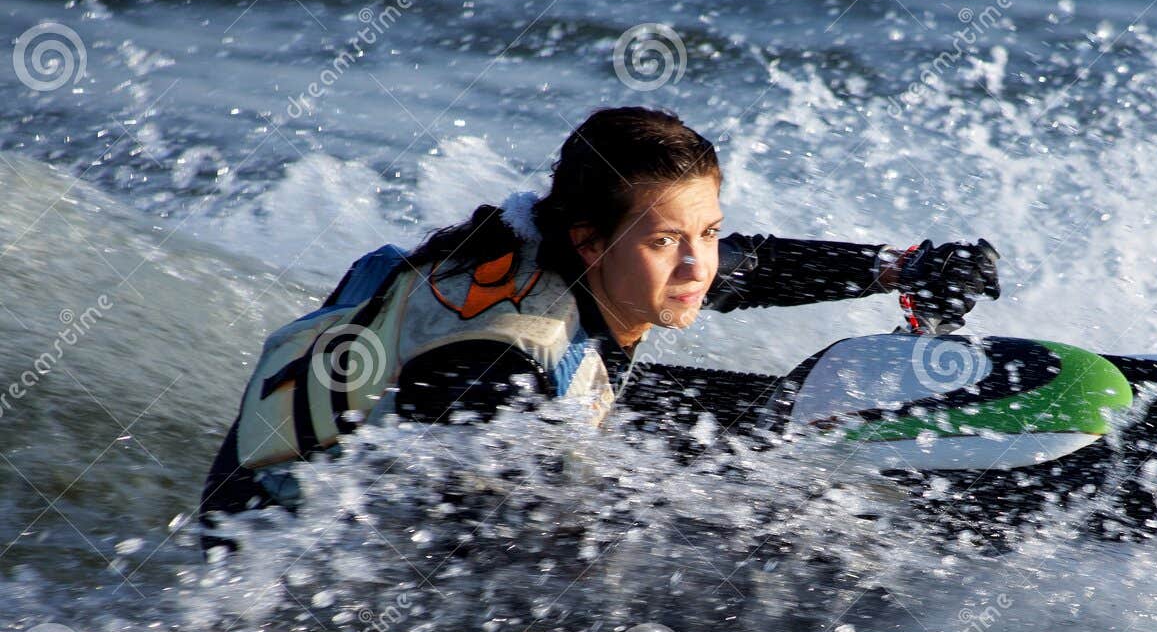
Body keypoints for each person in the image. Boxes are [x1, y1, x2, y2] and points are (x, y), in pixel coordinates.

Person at [199, 106, 1000, 546]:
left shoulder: (557, 243)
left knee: (760, 429)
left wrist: (897, 265)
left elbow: (737, 266)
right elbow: (459, 541)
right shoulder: (500, 363)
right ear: (589, 240)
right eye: (665, 241)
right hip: (286, 556)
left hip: (437, 451)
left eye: (707, 231)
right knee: (738, 495)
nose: (697, 264)